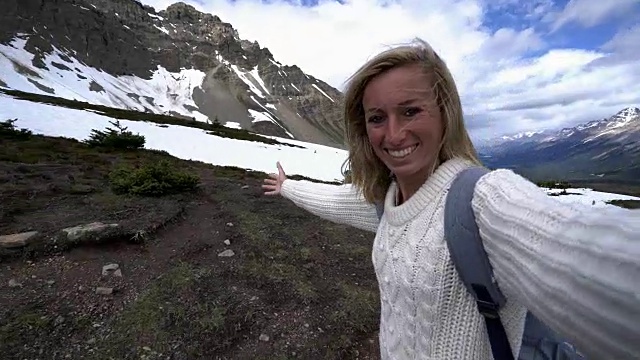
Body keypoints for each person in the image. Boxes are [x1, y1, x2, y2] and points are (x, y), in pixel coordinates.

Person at [262, 38, 640, 359]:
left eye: (410, 111)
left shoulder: (482, 202)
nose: (393, 135)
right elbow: (334, 199)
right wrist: (288, 187)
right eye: (377, 118)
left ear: (446, 115)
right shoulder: (386, 200)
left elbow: (583, 254)